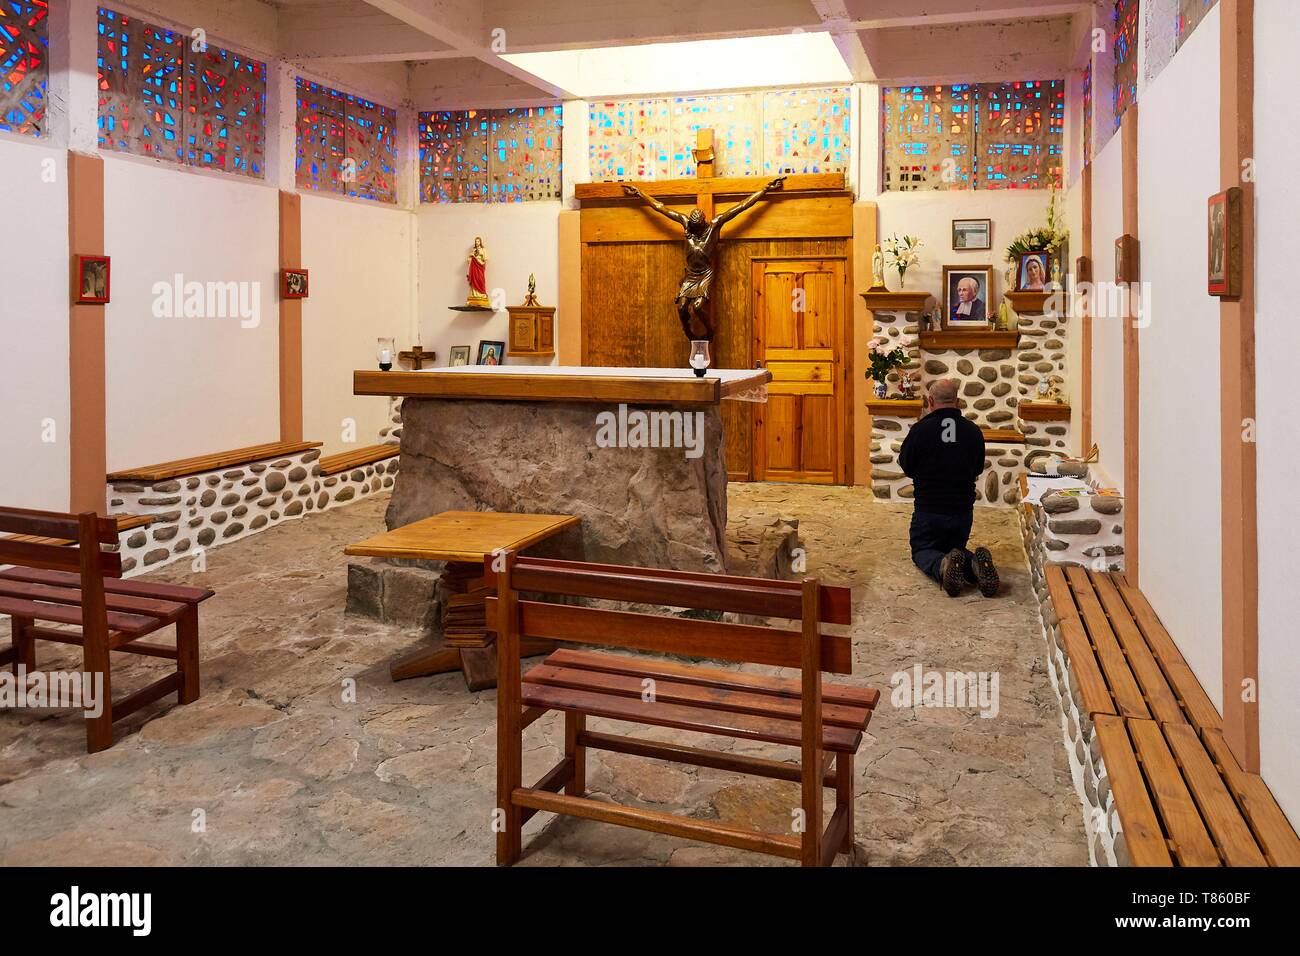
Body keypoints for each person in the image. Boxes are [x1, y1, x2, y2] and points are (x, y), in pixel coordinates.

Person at [897, 379, 1000, 597]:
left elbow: (906, 465)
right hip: (962, 514)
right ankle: (974, 565)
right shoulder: (973, 431)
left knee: (923, 551)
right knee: (956, 549)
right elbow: (977, 468)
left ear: (931, 401)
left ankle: (943, 566)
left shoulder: (920, 430)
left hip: (929, 510)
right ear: (958, 401)